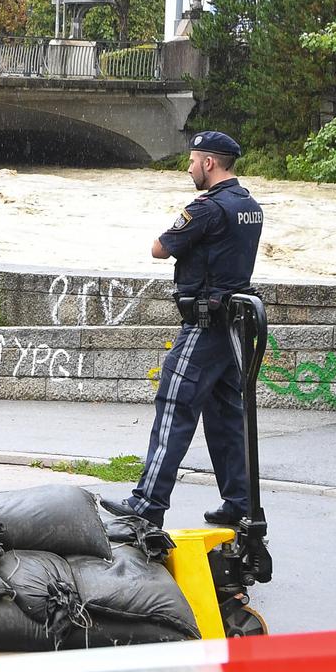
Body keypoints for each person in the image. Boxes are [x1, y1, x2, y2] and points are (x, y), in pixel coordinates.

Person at [103, 131, 263, 527]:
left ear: (209, 163)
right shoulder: (250, 205)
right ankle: (239, 503)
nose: (189, 168)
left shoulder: (206, 208)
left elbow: (160, 247)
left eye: (193, 161)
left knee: (173, 407)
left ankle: (147, 503)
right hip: (235, 328)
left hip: (205, 324)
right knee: (227, 417)